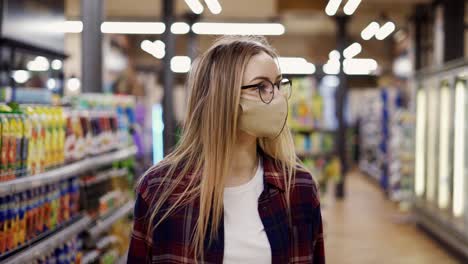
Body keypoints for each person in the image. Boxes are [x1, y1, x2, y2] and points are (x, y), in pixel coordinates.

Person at [127, 35, 325, 264]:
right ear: (222, 96)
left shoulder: (298, 188)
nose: (278, 97)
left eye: (278, 85)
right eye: (262, 86)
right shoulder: (160, 190)